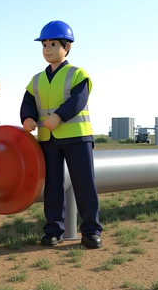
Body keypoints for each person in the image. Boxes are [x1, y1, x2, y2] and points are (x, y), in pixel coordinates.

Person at [20, 20, 102, 249]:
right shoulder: (36, 79)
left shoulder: (77, 74)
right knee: (53, 186)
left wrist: (59, 116)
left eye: (53, 44)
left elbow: (78, 100)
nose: (47, 49)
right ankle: (53, 230)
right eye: (44, 44)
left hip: (77, 137)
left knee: (84, 184)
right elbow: (28, 102)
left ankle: (91, 231)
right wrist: (27, 118)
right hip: (48, 140)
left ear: (67, 47)